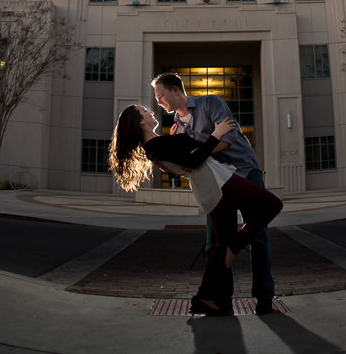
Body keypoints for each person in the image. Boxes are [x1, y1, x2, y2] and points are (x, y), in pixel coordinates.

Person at [109, 103, 283, 316]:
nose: (151, 111)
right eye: (145, 111)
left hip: (210, 188)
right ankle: (235, 247)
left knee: (220, 245)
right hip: (220, 182)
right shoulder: (155, 145)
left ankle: (205, 297)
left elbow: (186, 164)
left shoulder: (157, 144)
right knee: (272, 204)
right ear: (140, 122)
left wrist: (174, 139)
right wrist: (217, 134)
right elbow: (194, 159)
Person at [151, 72, 276, 315]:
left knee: (258, 236)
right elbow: (187, 164)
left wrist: (196, 152)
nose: (159, 102)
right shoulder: (176, 127)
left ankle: (264, 297)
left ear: (176, 90)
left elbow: (226, 138)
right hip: (216, 184)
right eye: (157, 99)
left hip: (244, 172)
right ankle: (221, 300)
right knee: (216, 244)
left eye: (161, 96)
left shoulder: (211, 103)